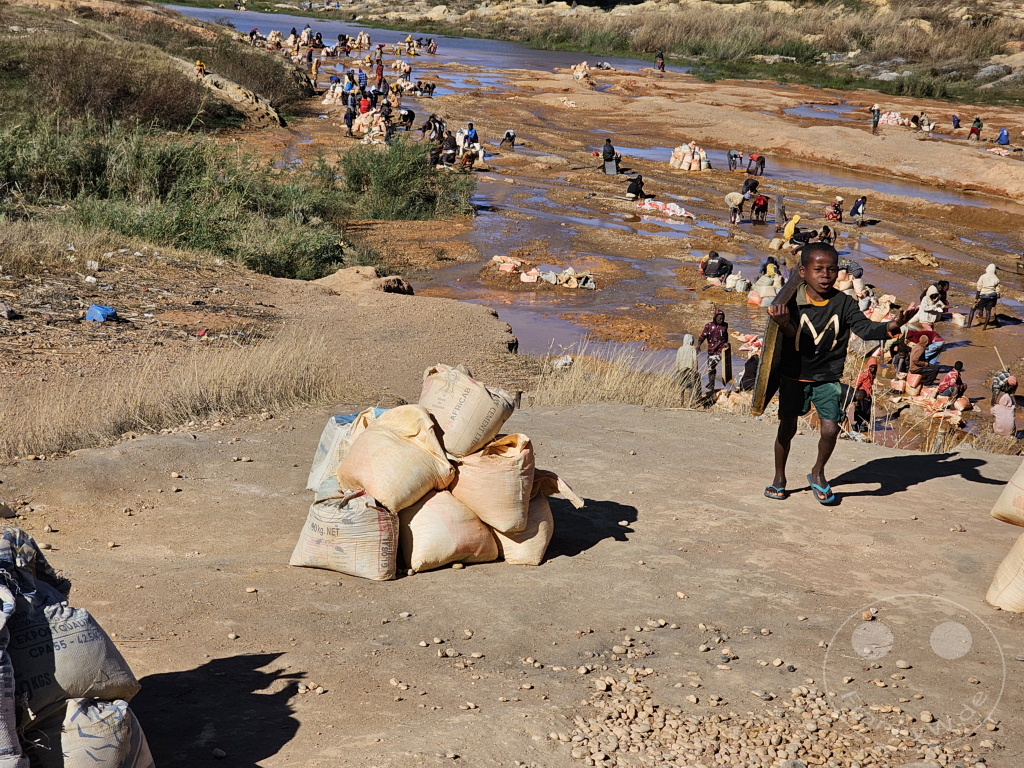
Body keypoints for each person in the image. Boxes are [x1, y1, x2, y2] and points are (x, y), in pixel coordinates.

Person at [764, 243, 916, 503]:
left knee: (831, 429)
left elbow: (866, 329)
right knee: (786, 429)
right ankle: (779, 478)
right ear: (802, 271)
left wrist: (895, 324)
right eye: (818, 269)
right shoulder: (790, 302)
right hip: (793, 376)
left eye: (832, 269)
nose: (825, 275)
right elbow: (790, 337)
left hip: (827, 377)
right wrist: (782, 323)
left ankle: (818, 473)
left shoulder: (843, 303)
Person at [695, 310, 729, 394]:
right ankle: (712, 384)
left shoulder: (725, 325)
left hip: (721, 350)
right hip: (711, 350)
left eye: (723, 319)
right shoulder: (709, 326)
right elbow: (702, 336)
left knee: (712, 365)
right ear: (715, 317)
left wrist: (726, 344)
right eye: (720, 319)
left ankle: (712, 383)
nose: (721, 320)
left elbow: (726, 335)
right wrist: (698, 346)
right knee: (711, 368)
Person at [968, 264, 1000, 329]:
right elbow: (997, 290)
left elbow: (979, 288)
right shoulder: (996, 278)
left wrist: (976, 298)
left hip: (983, 296)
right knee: (988, 312)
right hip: (992, 296)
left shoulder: (983, 276)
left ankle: (969, 325)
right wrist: (996, 298)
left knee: (972, 309)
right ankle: (984, 328)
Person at [852, 358, 878, 433]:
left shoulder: (872, 374)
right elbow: (856, 384)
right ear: (868, 366)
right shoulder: (864, 373)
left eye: (874, 367)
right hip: (862, 396)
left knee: (868, 412)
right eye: (871, 367)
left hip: (868, 395)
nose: (873, 369)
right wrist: (856, 398)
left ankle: (866, 426)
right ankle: (858, 426)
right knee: (862, 411)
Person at [675, 334, 700, 404]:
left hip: (681, 370)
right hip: (690, 370)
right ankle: (689, 403)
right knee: (691, 386)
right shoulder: (692, 348)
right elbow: (695, 360)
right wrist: (696, 370)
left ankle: (681, 402)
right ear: (691, 340)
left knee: (682, 386)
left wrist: (677, 370)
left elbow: (677, 360)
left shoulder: (680, 349)